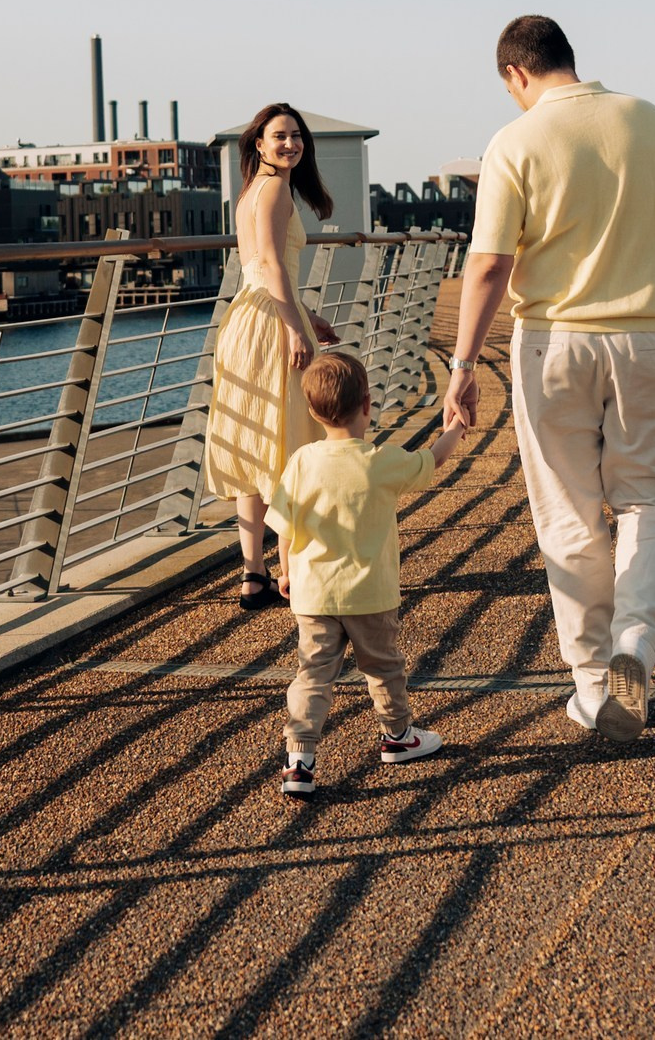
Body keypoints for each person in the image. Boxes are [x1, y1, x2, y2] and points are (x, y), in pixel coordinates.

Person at [444, 16, 655, 743]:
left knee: (568, 512)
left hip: (552, 342)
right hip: (650, 333)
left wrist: (463, 365)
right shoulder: (649, 121)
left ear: (515, 75)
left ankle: (593, 685)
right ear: (569, 59)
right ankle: (636, 646)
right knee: (654, 499)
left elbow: (490, 263)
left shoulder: (515, 141)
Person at [265, 350, 464, 796]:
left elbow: (283, 524)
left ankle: (299, 757)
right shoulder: (380, 460)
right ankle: (397, 737)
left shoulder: (302, 462)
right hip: (370, 593)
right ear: (368, 406)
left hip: (313, 593)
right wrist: (455, 427)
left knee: (312, 673)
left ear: (314, 413)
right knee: (383, 667)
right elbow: (431, 460)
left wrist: (286, 570)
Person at [206, 102, 340, 610]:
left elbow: (260, 268)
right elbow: (270, 264)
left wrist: (306, 314)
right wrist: (294, 327)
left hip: (246, 316)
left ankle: (253, 574)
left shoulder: (251, 191)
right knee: (288, 446)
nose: (290, 144)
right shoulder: (278, 189)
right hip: (269, 323)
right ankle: (291, 572)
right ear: (258, 143)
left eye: (297, 137)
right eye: (279, 136)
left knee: (257, 444)